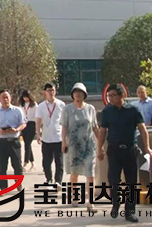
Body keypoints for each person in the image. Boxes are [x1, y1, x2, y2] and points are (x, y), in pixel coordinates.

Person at [98, 84, 152, 223]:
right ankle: (116, 203)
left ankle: (130, 212)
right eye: (109, 96)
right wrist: (99, 149)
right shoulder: (107, 111)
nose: (110, 98)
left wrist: (147, 147)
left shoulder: (133, 110)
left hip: (130, 150)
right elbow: (102, 131)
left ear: (122, 95)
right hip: (114, 150)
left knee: (131, 182)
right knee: (113, 180)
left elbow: (142, 129)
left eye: (113, 95)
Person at [61, 83, 99, 211]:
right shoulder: (67, 109)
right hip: (73, 146)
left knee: (90, 173)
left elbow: (95, 127)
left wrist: (101, 144)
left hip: (88, 146)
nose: (78, 94)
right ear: (72, 95)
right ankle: (74, 196)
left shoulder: (90, 109)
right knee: (74, 173)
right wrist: (63, 142)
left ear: (84, 95)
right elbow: (64, 127)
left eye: (80, 92)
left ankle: (91, 202)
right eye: (75, 92)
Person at [0, 89, 27, 191]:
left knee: (17, 165)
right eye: (3, 97)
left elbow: (23, 123)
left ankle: (18, 183)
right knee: (2, 166)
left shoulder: (17, 110)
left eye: (7, 97)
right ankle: (3, 187)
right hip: (1, 142)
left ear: (10, 98)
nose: (5, 99)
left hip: (14, 141)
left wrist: (17, 129)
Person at [35, 82, 65, 189]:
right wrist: (38, 134)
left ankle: (58, 181)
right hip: (46, 137)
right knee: (46, 162)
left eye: (52, 90)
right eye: (49, 90)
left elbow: (65, 122)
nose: (51, 92)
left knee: (59, 161)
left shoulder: (61, 104)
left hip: (58, 137)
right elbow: (38, 121)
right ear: (45, 92)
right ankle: (49, 179)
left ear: (55, 91)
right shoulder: (41, 106)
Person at [19, 89, 36, 171]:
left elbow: (37, 116)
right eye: (24, 97)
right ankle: (33, 163)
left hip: (32, 124)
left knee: (27, 144)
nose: (25, 99)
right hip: (24, 124)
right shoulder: (21, 105)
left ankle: (25, 163)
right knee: (27, 144)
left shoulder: (34, 105)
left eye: (27, 97)